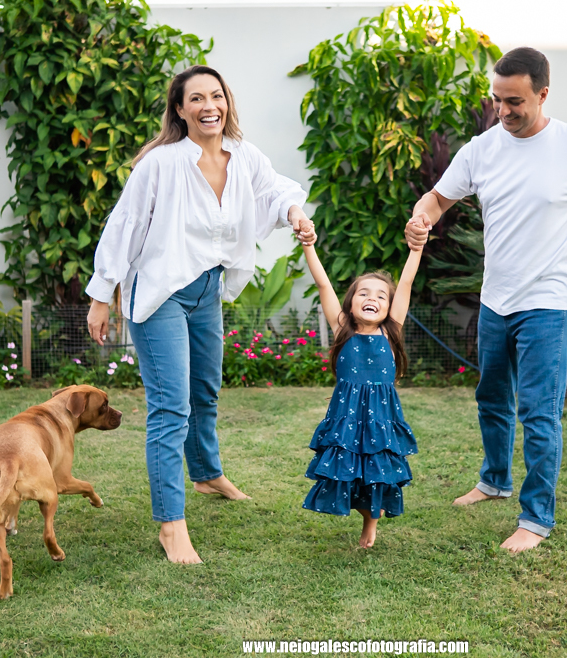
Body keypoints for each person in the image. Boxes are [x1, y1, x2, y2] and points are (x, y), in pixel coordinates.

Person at [405, 47, 567, 554]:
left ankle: (536, 518)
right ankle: (494, 480)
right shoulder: (482, 149)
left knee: (539, 411)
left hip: (548, 300)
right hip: (495, 298)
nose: (503, 110)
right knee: (491, 397)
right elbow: (438, 198)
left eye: (515, 101)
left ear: (543, 94)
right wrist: (422, 217)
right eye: (497, 99)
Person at [85, 65, 316, 564]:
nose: (209, 106)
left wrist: (295, 213)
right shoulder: (160, 163)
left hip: (208, 290)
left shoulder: (244, 155)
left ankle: (207, 475)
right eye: (196, 99)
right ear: (180, 109)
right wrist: (102, 295)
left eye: (216, 96)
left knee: (204, 391)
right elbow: (124, 225)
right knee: (171, 409)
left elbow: (275, 191)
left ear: (226, 102)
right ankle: (171, 524)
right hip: (160, 294)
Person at [299, 236, 423, 548]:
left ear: (389, 307)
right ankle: (358, 509)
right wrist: (308, 245)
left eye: (381, 296)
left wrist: (417, 249)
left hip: (380, 417)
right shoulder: (342, 329)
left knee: (377, 470)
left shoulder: (390, 330)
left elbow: (406, 283)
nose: (372, 298)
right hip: (347, 416)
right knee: (347, 468)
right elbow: (324, 284)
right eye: (363, 293)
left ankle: (371, 522)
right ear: (351, 303)